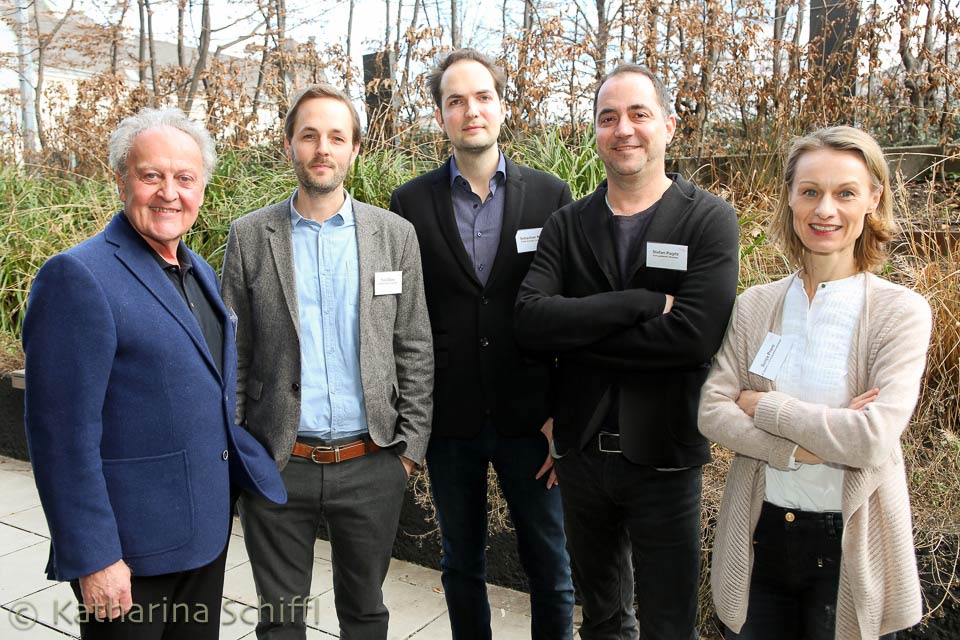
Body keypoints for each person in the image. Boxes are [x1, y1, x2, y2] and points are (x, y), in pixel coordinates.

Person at [22, 107, 287, 640]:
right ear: (122, 181)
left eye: (185, 178)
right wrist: (95, 557)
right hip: (130, 553)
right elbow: (61, 438)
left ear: (202, 189)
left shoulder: (197, 270)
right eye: (151, 176)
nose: (169, 193)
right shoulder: (77, 276)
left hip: (201, 538)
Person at [514, 63, 740, 639]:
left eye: (639, 114)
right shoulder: (567, 224)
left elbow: (693, 337)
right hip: (581, 455)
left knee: (669, 624)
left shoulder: (708, 219)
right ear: (595, 130)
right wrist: (639, 303)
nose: (624, 129)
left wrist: (578, 334)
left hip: (665, 454)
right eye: (608, 117)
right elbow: (531, 322)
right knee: (603, 620)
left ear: (668, 125)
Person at [698, 125, 930, 640]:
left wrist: (765, 407)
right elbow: (712, 411)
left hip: (849, 547)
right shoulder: (756, 305)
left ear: (873, 198)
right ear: (790, 197)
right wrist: (803, 448)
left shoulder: (900, 312)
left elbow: (870, 439)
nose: (825, 210)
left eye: (845, 193)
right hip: (760, 538)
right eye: (810, 191)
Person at [220, 83, 433, 639]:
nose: (323, 149)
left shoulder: (394, 235)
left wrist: (408, 452)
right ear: (289, 144)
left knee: (365, 615)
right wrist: (241, 451)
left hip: (372, 462)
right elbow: (233, 353)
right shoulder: (249, 235)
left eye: (337, 137)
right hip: (278, 462)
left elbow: (413, 344)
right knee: (280, 621)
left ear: (354, 149)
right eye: (309, 135)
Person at [389, 48, 575, 639]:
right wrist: (411, 417)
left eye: (482, 97)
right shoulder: (409, 203)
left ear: (502, 105)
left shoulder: (550, 195)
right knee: (460, 563)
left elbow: (568, 311)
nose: (471, 110)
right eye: (456, 101)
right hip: (451, 419)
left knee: (550, 565)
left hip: (532, 418)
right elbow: (404, 316)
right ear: (440, 114)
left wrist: (564, 414)